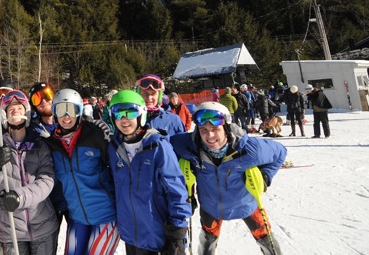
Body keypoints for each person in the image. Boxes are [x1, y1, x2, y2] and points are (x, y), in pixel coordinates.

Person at [170, 102, 287, 255]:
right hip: (211, 207)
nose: (209, 136)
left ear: (226, 128)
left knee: (266, 241)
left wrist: (265, 176)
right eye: (203, 129)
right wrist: (184, 193)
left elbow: (280, 153)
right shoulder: (188, 146)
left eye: (215, 129)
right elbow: (162, 147)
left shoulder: (250, 149)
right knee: (207, 243)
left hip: (247, 204)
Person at [107, 89, 190, 255]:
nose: (124, 119)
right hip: (131, 235)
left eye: (130, 112)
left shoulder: (158, 146)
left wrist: (177, 231)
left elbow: (176, 190)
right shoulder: (113, 148)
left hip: (159, 235)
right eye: (118, 113)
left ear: (141, 114)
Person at [0, 89, 59, 255]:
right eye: (11, 109)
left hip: (42, 224)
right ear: (4, 115)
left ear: (27, 113)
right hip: (12, 230)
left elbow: (47, 180)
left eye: (20, 108)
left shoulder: (39, 145)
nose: (15, 111)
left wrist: (19, 197)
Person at [44, 89, 119, 255]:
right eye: (60, 110)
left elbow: (119, 163)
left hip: (105, 215)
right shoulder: (51, 145)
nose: (66, 116)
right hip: (77, 217)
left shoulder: (95, 135)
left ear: (79, 112)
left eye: (72, 110)